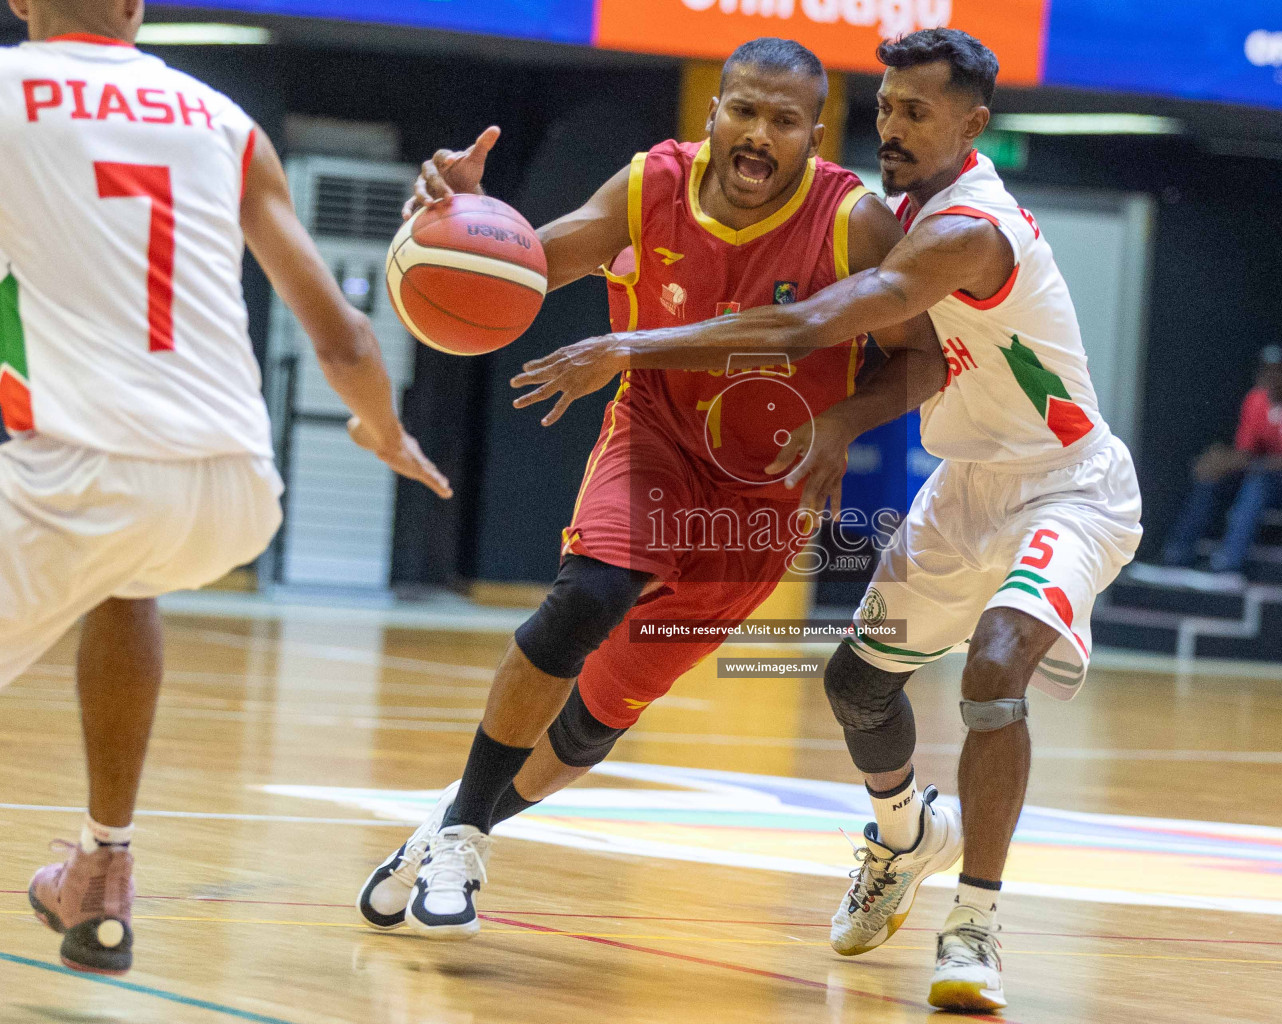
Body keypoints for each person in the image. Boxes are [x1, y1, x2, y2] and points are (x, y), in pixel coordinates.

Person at [512, 28, 1142, 1012]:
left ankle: (975, 924)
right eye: (885, 107)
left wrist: (631, 342)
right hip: (969, 483)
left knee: (992, 661)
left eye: (916, 113)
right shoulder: (898, 207)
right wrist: (843, 423)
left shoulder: (966, 227)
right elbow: (920, 362)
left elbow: (813, 324)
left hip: (1069, 484)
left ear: (972, 125)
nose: (892, 127)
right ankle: (901, 834)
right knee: (855, 683)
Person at [353, 38, 949, 941]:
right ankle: (466, 835)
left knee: (591, 725)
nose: (758, 134)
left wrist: (842, 421)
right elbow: (523, 268)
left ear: (814, 135)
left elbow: (923, 361)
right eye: (742, 110)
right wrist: (452, 224)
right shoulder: (650, 186)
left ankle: (444, 827)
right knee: (585, 597)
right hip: (657, 441)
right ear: (712, 112)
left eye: (783, 120)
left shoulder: (854, 222)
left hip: (761, 502)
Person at [1, 0, 450, 976]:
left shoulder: (7, 96)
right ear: (135, 6)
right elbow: (344, 337)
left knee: (113, 542)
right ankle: (103, 871)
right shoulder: (223, 121)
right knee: (130, 578)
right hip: (237, 485)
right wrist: (383, 427)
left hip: (79, 476)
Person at [1162, 345, 1282, 575]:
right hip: (1275, 484)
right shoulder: (1256, 400)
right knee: (1214, 475)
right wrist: (1222, 461)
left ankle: (1228, 563)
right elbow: (1245, 451)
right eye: (1265, 371)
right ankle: (1178, 553)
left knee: (1262, 480)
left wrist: (1239, 463)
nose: (1270, 377)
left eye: (1277, 371)